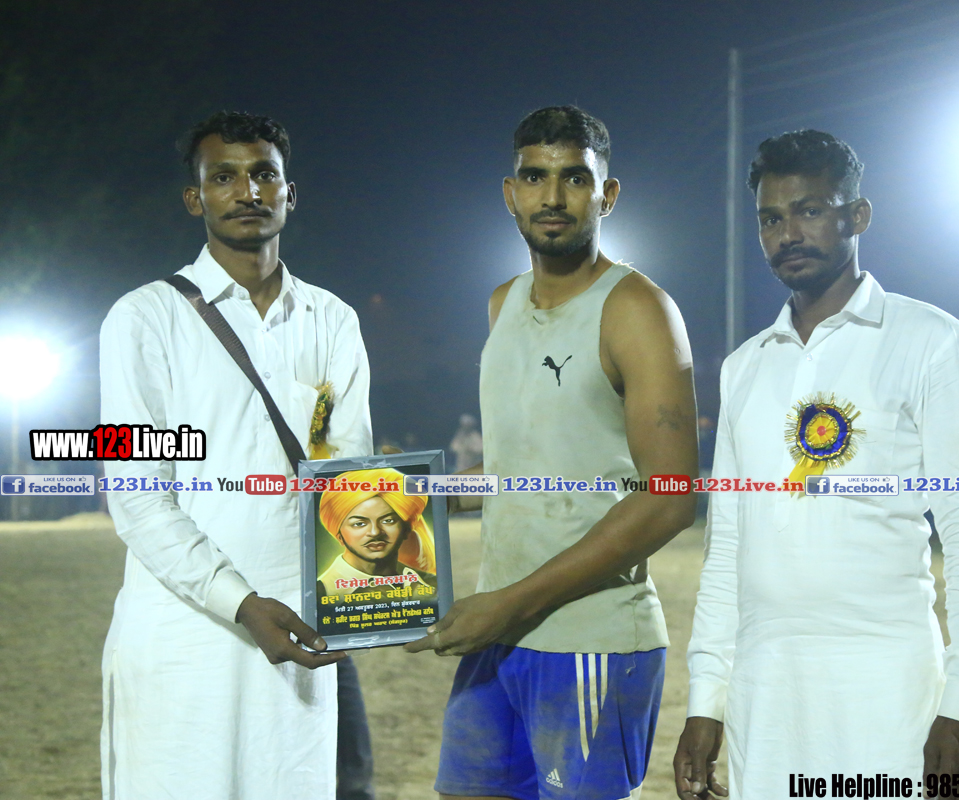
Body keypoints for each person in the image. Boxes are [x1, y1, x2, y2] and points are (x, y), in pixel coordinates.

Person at [674, 130, 959, 798]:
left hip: (889, 689)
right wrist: (707, 699)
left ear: (858, 215)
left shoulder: (931, 341)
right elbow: (727, 546)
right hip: (766, 694)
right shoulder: (744, 367)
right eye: (771, 218)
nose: (788, 233)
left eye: (810, 210)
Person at [405, 105, 699, 800]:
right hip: (499, 635)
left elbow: (671, 499)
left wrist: (510, 604)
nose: (553, 197)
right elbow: (522, 471)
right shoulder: (502, 303)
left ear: (607, 194)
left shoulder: (637, 308)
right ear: (511, 194)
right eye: (535, 177)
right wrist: (408, 500)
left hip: (588, 639)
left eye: (575, 178)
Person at [99, 111, 374, 800]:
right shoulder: (141, 319)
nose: (247, 191)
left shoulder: (332, 320)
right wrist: (241, 602)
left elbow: (348, 478)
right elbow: (135, 495)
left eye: (263, 175)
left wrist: (382, 594)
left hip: (300, 636)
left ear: (289, 193)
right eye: (224, 177)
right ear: (195, 198)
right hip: (183, 639)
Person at [317, 468, 436, 597]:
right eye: (359, 524)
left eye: (388, 521)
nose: (375, 532)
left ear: (407, 529)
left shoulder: (432, 584)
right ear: (339, 536)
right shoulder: (319, 594)